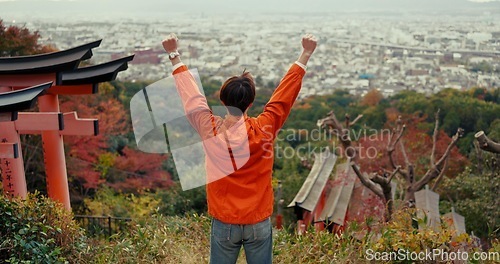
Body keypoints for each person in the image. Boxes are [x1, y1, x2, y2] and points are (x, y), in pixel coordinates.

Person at [162, 33, 317, 264]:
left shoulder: (210, 129)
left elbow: (193, 99)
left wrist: (174, 55)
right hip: (258, 220)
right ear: (251, 103)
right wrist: (305, 54)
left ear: (223, 101)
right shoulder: (264, 128)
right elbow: (282, 98)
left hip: (224, 221)